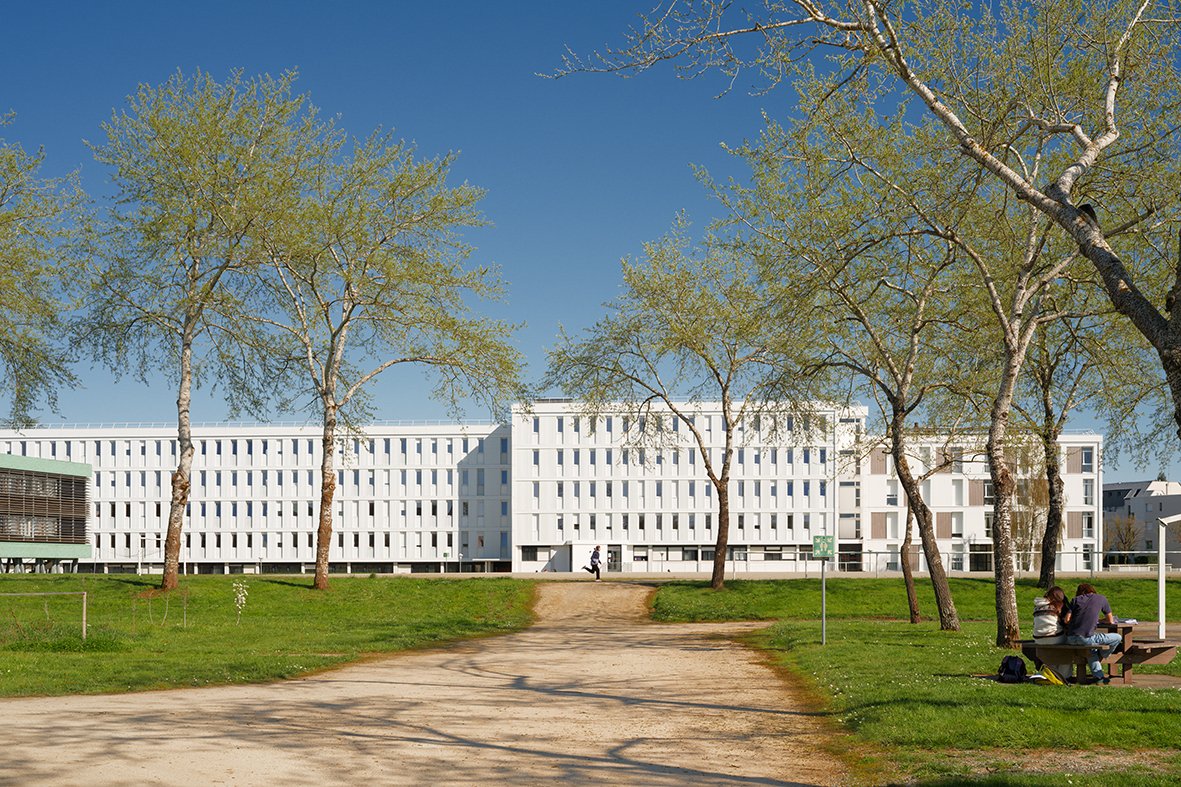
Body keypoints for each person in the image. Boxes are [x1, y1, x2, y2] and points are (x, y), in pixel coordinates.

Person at [1066, 582, 1122, 684]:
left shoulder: (1075, 600)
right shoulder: (1101, 598)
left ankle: (1099, 678)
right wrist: (1099, 620)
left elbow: (1067, 619)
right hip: (1086, 638)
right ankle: (1104, 654)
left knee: (1091, 651)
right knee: (1117, 637)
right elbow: (1110, 621)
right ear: (1092, 590)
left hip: (1070, 638)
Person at [1032, 586, 1072, 679]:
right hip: (1054, 637)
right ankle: (1065, 676)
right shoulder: (1057, 606)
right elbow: (1065, 623)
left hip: (1038, 639)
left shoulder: (1038, 606)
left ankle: (1051, 673)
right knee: (1070, 646)